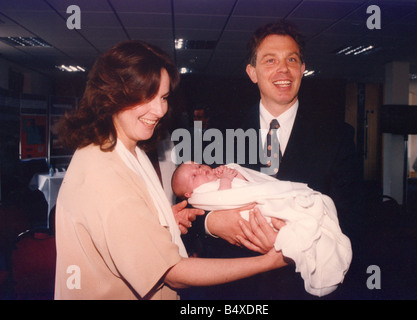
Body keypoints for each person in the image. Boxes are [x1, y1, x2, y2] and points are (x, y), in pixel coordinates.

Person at [53, 40, 289, 300]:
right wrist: (271, 260)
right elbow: (174, 273)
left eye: (163, 97)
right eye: (144, 97)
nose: (159, 110)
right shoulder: (104, 175)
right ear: (111, 95)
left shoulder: (124, 150)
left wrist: (157, 224)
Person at [194, 20, 365, 299]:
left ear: (302, 69)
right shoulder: (220, 134)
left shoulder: (336, 135)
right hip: (236, 290)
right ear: (252, 72)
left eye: (292, 59)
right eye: (270, 60)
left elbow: (353, 218)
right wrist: (213, 224)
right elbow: (191, 209)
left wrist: (293, 243)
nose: (282, 69)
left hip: (301, 287)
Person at [172, 162, 352, 297]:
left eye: (198, 165)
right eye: (194, 176)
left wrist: (233, 174)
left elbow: (248, 184)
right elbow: (211, 203)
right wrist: (212, 222)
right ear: (189, 193)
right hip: (244, 283)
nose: (200, 169)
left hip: (292, 284)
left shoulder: (338, 134)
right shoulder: (202, 191)